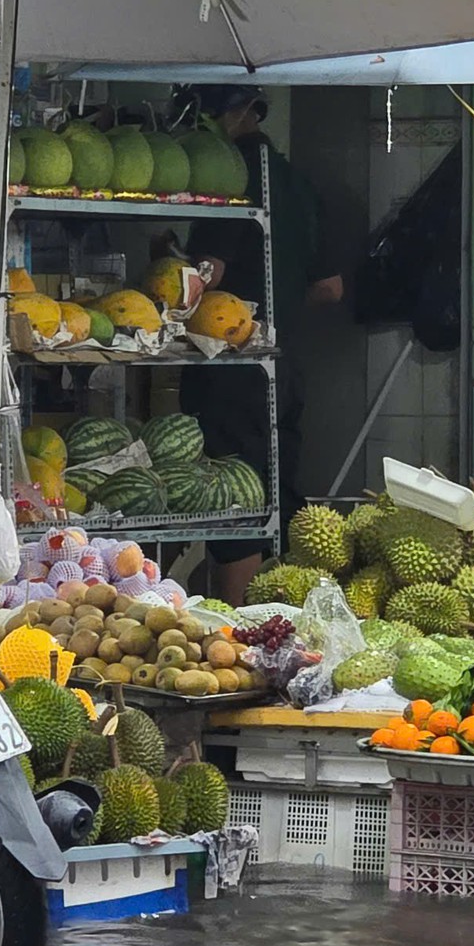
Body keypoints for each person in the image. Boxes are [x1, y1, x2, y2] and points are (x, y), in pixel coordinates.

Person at [168, 85, 344, 604]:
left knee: (235, 505)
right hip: (283, 368)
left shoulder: (233, 178)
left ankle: (239, 632)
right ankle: (276, 620)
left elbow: (207, 273)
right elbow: (330, 288)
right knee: (274, 498)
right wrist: (276, 305)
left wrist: (169, 258)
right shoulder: (298, 184)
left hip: (231, 375)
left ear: (240, 113)